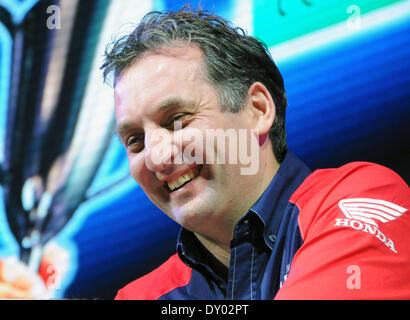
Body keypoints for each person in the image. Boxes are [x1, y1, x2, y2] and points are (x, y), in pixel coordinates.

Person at [101, 7, 410, 300]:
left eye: (176, 120)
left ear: (257, 110)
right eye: (135, 141)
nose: (155, 157)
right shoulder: (138, 295)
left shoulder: (360, 199)